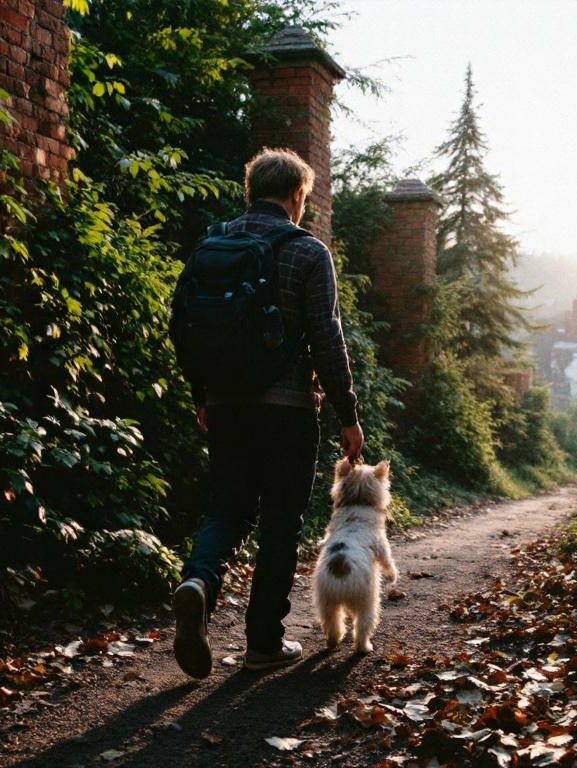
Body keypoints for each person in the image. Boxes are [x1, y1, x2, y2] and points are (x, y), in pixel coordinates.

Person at [172, 148, 364, 679]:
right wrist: (347, 414)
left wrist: (201, 396)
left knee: (226, 507)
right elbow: (327, 337)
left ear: (250, 190)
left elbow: (185, 326)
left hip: (226, 405)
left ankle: (199, 584)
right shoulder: (308, 251)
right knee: (280, 521)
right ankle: (262, 643)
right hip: (289, 409)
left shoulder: (212, 244)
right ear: (298, 194)